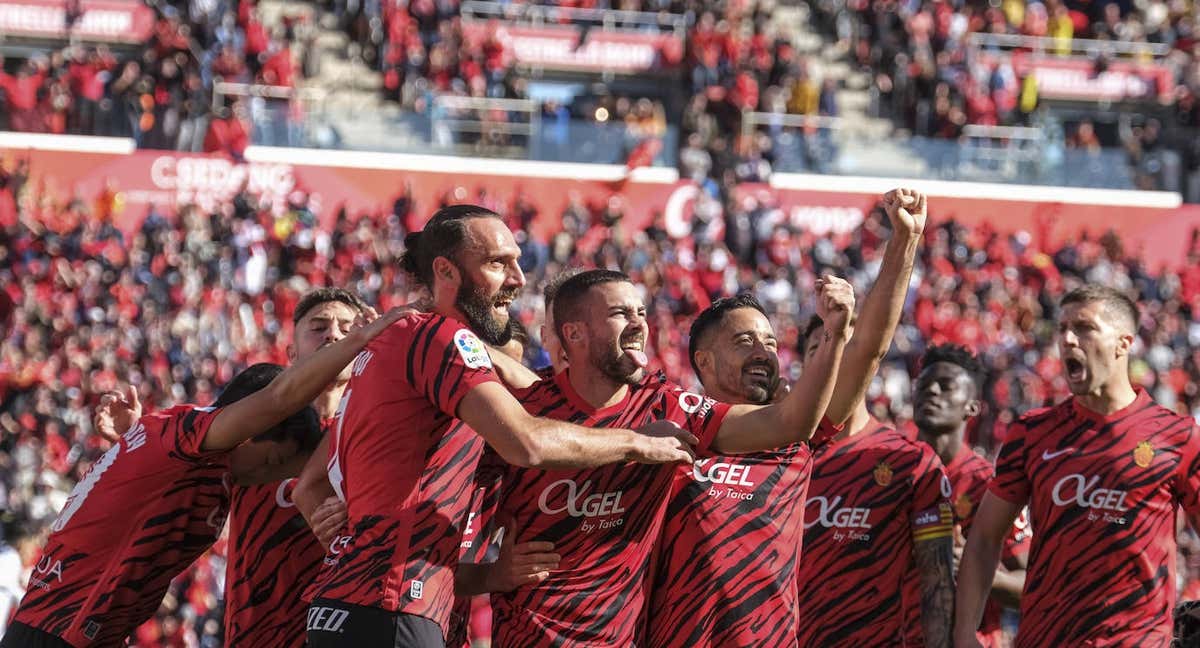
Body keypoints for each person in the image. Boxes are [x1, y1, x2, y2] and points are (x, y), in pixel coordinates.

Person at [301, 205, 698, 648]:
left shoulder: (400, 338)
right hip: (391, 606)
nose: (518, 278)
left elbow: (311, 487)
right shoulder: (439, 338)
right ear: (445, 271)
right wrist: (638, 442)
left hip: (360, 602)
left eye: (516, 260)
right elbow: (526, 442)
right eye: (497, 263)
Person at [459, 268, 855, 647]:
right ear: (574, 333)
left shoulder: (667, 409)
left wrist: (835, 335)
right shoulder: (521, 416)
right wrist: (490, 575)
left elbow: (791, 423)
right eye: (620, 313)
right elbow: (419, 554)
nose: (638, 324)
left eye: (642, 312)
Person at [0, 307, 404, 648]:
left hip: (92, 632)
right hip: (55, 631)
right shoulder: (185, 433)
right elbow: (280, 398)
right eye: (274, 462)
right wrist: (364, 340)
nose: (266, 477)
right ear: (250, 428)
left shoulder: (190, 461)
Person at [645, 187, 926, 647]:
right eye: (745, 343)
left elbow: (868, 350)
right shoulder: (670, 420)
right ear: (705, 362)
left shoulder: (799, 429)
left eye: (772, 344)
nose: (764, 353)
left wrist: (903, 243)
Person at [954, 286, 1200, 647]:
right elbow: (985, 538)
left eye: (1084, 328)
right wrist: (964, 633)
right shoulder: (1033, 432)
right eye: (1062, 328)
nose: (1068, 339)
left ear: (1123, 343)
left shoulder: (1177, 436)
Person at [795, 317, 956, 647]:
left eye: (848, 347)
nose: (834, 357)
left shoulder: (912, 463)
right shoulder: (773, 456)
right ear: (802, 365)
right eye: (819, 348)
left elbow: (936, 583)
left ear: (869, 363)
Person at [223, 288, 367, 648]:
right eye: (318, 327)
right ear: (291, 353)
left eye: (347, 328)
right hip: (256, 632)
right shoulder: (252, 418)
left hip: (343, 629)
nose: (333, 335)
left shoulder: (374, 435)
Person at [912, 344, 1028, 648]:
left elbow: (1031, 584)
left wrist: (976, 568)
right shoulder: (888, 475)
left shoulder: (990, 485)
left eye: (946, 386)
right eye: (923, 385)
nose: (932, 391)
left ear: (973, 406)